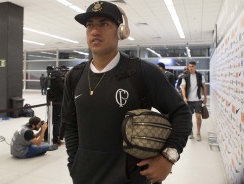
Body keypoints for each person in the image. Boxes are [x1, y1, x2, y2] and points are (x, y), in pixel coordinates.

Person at [62, 1, 192, 184]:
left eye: (104, 24)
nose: (95, 31)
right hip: (85, 177)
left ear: (121, 32)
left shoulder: (141, 72)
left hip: (132, 178)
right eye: (90, 25)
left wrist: (168, 157)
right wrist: (74, 165)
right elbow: (70, 124)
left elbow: (182, 112)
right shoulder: (74, 77)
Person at [181, 61, 207, 141]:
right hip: (188, 101)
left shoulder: (200, 76)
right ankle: (190, 132)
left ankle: (198, 133)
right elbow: (183, 88)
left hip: (198, 100)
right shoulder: (185, 76)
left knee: (198, 117)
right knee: (189, 117)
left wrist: (205, 98)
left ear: (195, 67)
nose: (190, 68)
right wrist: (184, 97)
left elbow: (204, 87)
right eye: (189, 66)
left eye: (192, 66)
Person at [45, 66, 68, 145]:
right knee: (57, 122)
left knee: (49, 121)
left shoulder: (49, 81)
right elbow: (65, 90)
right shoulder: (58, 82)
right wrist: (64, 81)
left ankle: (45, 137)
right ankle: (56, 139)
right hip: (57, 104)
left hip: (50, 104)